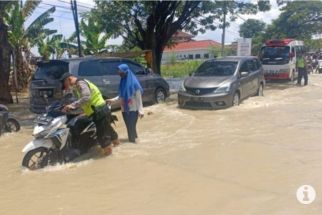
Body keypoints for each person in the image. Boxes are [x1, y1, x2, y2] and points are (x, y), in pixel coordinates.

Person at [60, 73, 120, 156]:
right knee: (108, 130)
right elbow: (84, 102)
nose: (66, 88)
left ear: (69, 79)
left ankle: (108, 158)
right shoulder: (78, 86)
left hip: (99, 111)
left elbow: (86, 97)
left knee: (103, 137)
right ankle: (118, 147)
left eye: (65, 85)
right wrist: (80, 111)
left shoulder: (80, 83)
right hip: (98, 111)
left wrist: (72, 105)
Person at [106, 64, 144, 143]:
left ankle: (132, 143)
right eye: (118, 71)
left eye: (120, 71)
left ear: (126, 72)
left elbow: (138, 98)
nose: (119, 73)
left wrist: (141, 111)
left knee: (131, 127)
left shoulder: (134, 84)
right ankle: (135, 140)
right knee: (129, 127)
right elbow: (121, 96)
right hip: (124, 109)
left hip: (134, 109)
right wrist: (112, 100)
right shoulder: (122, 83)